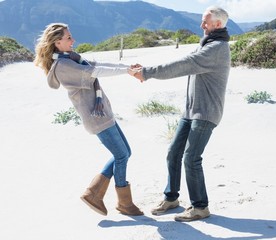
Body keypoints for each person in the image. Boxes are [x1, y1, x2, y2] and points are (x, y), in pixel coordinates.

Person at [131, 6, 231, 222]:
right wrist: (146, 69)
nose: (201, 25)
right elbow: (185, 62)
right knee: (174, 152)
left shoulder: (218, 48)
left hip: (205, 113)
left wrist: (147, 73)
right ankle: (171, 198)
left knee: (191, 158)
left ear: (218, 25)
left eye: (206, 22)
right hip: (191, 111)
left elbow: (184, 65)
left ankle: (200, 207)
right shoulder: (207, 43)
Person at [34, 23, 143, 216]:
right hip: (96, 118)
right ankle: (122, 203)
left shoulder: (73, 58)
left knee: (125, 152)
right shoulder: (64, 66)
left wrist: (128, 68)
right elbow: (96, 72)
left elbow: (97, 66)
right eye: (68, 37)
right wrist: (128, 71)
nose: (73, 40)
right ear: (57, 42)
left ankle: (94, 193)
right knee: (121, 155)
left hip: (104, 114)